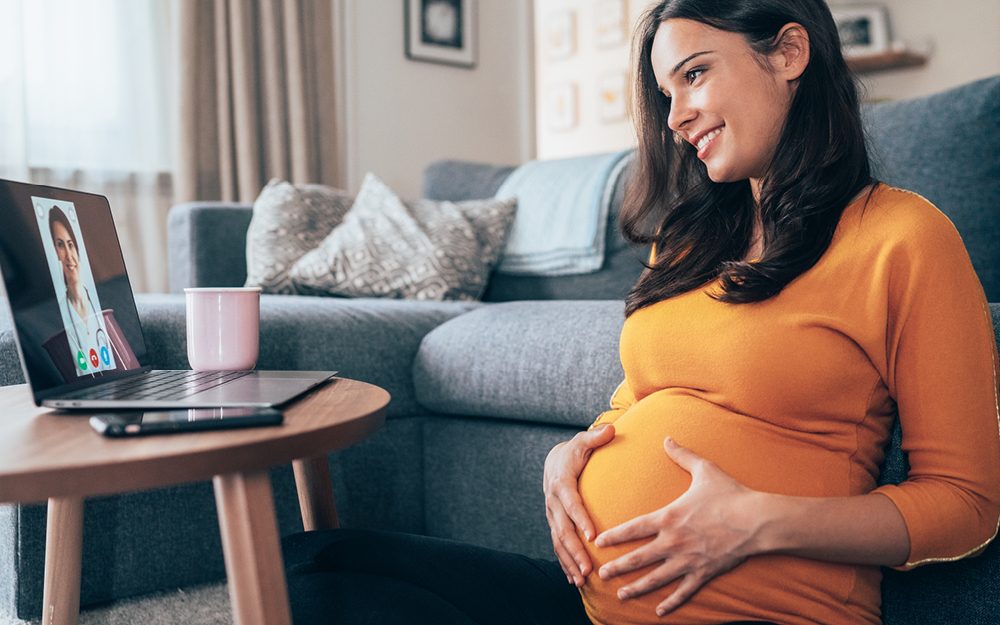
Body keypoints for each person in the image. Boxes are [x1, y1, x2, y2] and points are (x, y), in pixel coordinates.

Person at [284, 1, 1000, 623]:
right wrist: (573, 454)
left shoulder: (904, 237)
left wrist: (755, 523)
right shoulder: (688, 237)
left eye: (694, 74)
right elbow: (640, 398)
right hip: (596, 606)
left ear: (788, 51)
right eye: (664, 91)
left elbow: (967, 503)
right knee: (308, 567)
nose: (675, 114)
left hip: (768, 615)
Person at [49, 206, 102, 361]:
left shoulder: (99, 302)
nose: (68, 255)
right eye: (60, 245)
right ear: (56, 251)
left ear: (78, 250)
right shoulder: (58, 313)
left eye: (70, 244)